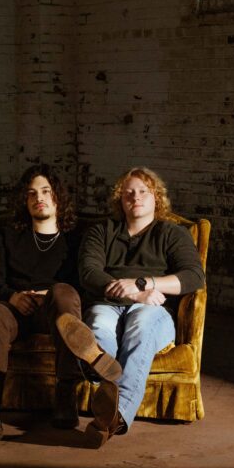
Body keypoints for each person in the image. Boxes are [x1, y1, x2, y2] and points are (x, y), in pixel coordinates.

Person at [0, 164, 121, 441]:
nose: (38, 198)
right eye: (31, 193)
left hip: (57, 311)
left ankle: (66, 393)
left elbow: (86, 281)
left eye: (45, 191)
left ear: (57, 197)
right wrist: (12, 297)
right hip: (16, 310)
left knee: (64, 292)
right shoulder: (6, 234)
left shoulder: (76, 237)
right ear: (24, 200)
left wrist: (48, 294)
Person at [63, 166, 205, 447]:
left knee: (139, 328)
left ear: (156, 198)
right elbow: (89, 272)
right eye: (128, 193)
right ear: (120, 200)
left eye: (143, 192)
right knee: (99, 327)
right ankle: (109, 406)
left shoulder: (172, 233)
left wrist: (143, 284)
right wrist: (133, 294)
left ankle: (110, 399)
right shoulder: (102, 231)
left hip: (153, 309)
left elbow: (193, 277)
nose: (135, 197)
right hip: (108, 304)